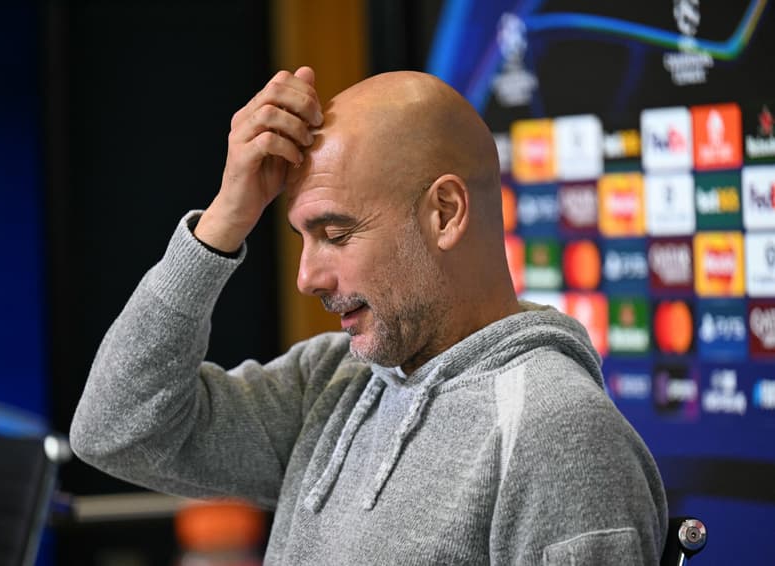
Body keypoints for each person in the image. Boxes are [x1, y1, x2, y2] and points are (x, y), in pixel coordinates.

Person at [70, 67, 668, 564]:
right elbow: (116, 431)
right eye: (304, 239)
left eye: (335, 234)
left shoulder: (556, 429)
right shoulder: (331, 381)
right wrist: (225, 219)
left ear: (445, 212)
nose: (307, 277)